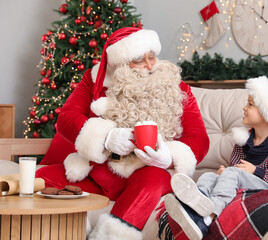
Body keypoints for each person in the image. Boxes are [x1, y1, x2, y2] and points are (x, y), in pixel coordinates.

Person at [35, 27, 209, 240]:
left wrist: (170, 158)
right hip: (99, 174)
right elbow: (66, 119)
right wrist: (106, 138)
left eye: (152, 56)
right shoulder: (94, 80)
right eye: (138, 60)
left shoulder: (176, 87)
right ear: (120, 63)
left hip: (148, 174)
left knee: (153, 179)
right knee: (37, 180)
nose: (149, 65)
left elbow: (199, 137)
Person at [164, 76, 268, 240]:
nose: (244, 108)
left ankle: (207, 218)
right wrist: (224, 172)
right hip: (243, 182)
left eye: (250, 104)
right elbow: (235, 169)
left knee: (233, 174)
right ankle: (192, 207)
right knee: (209, 175)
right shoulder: (242, 141)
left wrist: (257, 171)